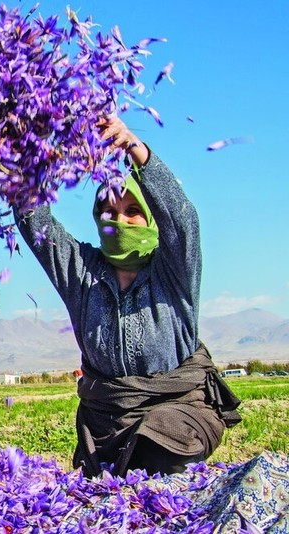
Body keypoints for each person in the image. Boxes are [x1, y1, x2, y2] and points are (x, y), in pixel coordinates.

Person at [14, 116, 241, 476]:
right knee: (109, 473)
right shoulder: (80, 271)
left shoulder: (173, 270)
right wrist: (37, 150)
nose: (118, 220)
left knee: (159, 446)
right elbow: (34, 221)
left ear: (151, 219)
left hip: (177, 411)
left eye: (132, 211)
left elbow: (183, 220)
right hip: (106, 423)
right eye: (108, 210)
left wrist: (134, 149)